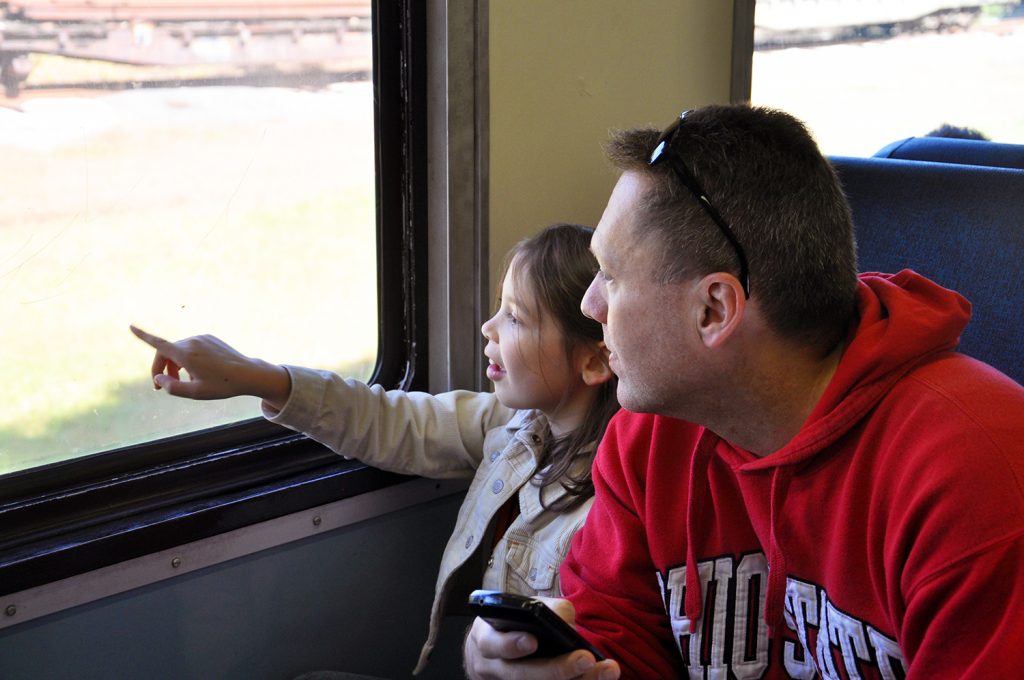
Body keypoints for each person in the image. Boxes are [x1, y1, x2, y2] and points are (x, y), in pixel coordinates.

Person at [464, 105, 1024, 679]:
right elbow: (612, 639)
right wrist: (537, 664)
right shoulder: (649, 439)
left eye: (609, 277)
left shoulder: (978, 478)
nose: (590, 307)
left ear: (714, 310)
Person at [130, 222, 620, 674]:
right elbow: (394, 421)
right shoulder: (512, 425)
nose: (489, 328)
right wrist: (254, 376)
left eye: (514, 317)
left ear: (593, 362)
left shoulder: (610, 509)